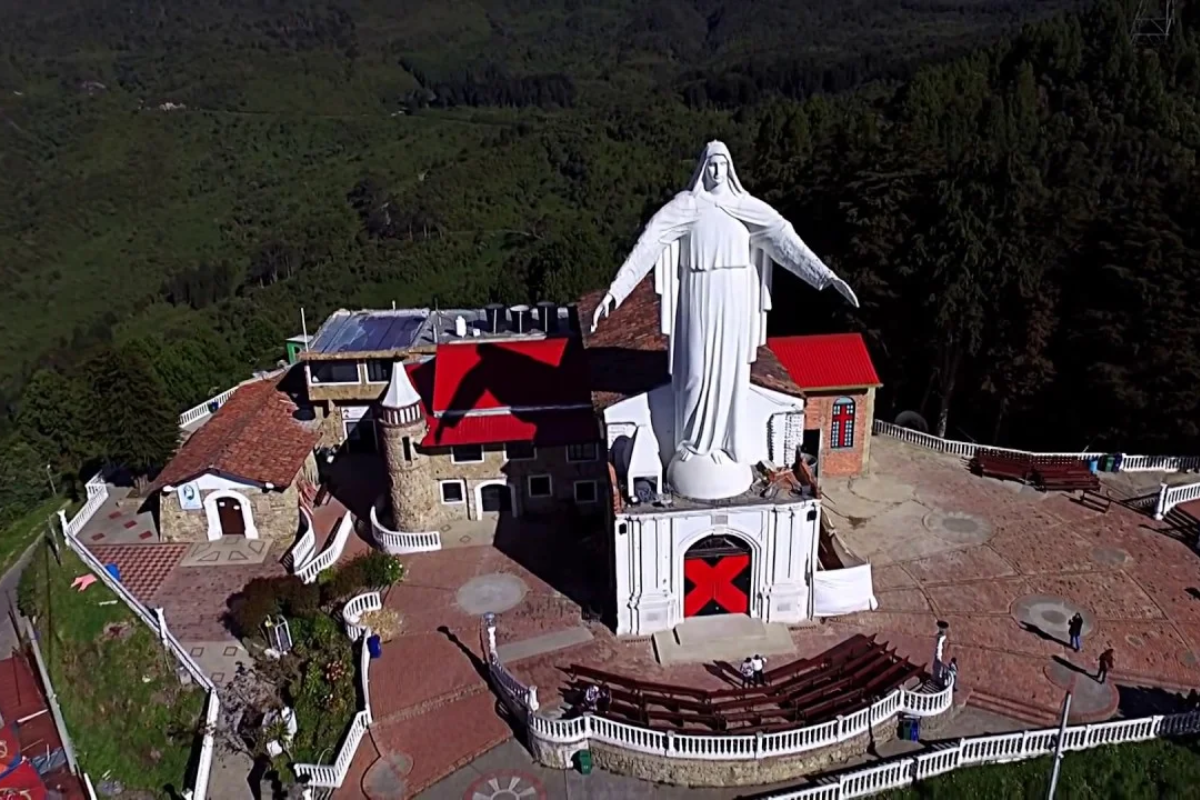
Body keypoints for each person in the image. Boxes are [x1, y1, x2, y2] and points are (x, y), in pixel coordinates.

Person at [591, 141, 859, 501]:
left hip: (733, 299)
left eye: (722, 165)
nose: (716, 172)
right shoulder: (687, 207)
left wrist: (826, 276)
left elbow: (786, 241)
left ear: (730, 169)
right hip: (698, 297)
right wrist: (615, 292)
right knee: (696, 372)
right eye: (711, 165)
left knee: (729, 373)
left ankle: (724, 445)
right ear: (703, 169)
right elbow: (649, 243)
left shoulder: (745, 207)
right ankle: (693, 445)